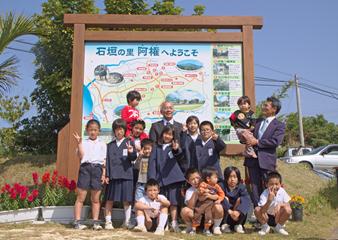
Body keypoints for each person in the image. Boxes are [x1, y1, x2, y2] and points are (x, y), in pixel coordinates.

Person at [244, 96, 286, 207]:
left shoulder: (279, 125)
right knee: (255, 186)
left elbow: (275, 141)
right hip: (252, 159)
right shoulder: (257, 122)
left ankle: (271, 211)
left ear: (274, 108)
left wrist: (257, 142)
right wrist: (245, 137)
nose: (263, 107)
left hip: (267, 160)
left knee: (270, 186)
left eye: (266, 105)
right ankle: (258, 211)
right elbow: (246, 134)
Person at [147, 126, 185, 232]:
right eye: (165, 133)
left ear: (173, 136)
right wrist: (152, 179)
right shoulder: (156, 147)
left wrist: (176, 149)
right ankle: (163, 223)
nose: (167, 136)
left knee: (173, 202)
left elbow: (180, 155)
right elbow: (152, 163)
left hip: (173, 178)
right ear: (162, 134)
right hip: (159, 180)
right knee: (161, 201)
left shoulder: (174, 147)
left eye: (170, 134)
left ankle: (174, 222)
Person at [72, 119, 106, 230]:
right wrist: (79, 143)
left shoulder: (102, 144)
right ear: (87, 130)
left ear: (99, 131)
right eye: (91, 130)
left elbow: (104, 161)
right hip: (85, 169)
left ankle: (95, 222)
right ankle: (77, 222)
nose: (93, 132)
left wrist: (103, 174)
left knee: (96, 199)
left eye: (95, 130)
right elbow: (81, 156)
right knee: (81, 197)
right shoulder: (83, 142)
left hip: (98, 169)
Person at [104, 119, 137, 230]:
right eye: (117, 130)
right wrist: (107, 175)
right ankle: (108, 222)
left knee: (127, 200)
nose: (119, 132)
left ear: (125, 130)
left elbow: (133, 158)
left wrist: (131, 151)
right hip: (113, 176)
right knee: (109, 199)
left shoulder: (129, 142)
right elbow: (107, 161)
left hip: (127, 175)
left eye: (121, 129)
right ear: (114, 131)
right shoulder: (109, 145)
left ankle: (127, 222)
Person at [181, 168, 223, 235]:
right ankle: (190, 227)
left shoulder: (209, 185)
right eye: (192, 179)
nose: (196, 181)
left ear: (201, 177)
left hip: (209, 215)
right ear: (188, 181)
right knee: (185, 210)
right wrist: (196, 192)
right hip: (197, 216)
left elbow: (217, 196)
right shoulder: (189, 191)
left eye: (197, 178)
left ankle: (216, 227)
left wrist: (209, 195)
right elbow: (190, 206)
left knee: (219, 207)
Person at [254, 171, 292, 236]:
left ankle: (279, 227)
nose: (274, 186)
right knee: (257, 209)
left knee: (288, 209)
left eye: (277, 184)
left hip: (278, 216)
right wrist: (269, 200)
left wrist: (280, 205)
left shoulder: (282, 191)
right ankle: (265, 227)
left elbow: (288, 204)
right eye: (271, 184)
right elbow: (262, 211)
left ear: (280, 184)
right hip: (266, 217)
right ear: (266, 185)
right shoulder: (264, 193)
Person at [221, 166, 251, 234]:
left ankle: (238, 224)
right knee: (224, 198)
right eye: (230, 177)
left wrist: (239, 212)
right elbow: (220, 198)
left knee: (242, 199)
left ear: (238, 178)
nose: (232, 179)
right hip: (226, 214)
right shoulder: (222, 185)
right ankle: (224, 224)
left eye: (235, 177)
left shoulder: (241, 187)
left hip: (237, 216)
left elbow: (247, 199)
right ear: (226, 178)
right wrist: (230, 211)